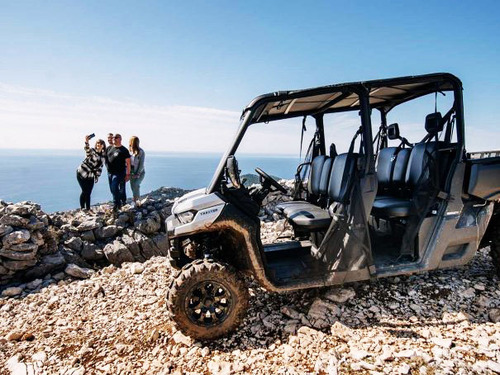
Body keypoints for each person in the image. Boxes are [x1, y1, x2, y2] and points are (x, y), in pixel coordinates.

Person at [76, 136, 106, 211]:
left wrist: (97, 177)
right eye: (98, 143)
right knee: (85, 191)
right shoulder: (92, 151)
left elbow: (100, 168)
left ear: (103, 146)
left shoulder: (102, 157)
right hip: (82, 173)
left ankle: (87, 209)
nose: (99, 144)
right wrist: (86, 142)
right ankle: (84, 208)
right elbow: (87, 150)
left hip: (91, 175)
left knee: (88, 192)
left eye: (101, 143)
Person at [106, 133, 131, 212]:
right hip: (110, 172)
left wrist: (128, 174)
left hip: (119, 173)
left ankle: (116, 204)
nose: (114, 139)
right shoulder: (109, 148)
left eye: (116, 137)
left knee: (114, 185)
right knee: (112, 189)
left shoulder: (124, 150)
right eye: (113, 137)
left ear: (120, 139)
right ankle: (119, 203)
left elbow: (128, 163)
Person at [129, 136, 146, 205]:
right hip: (132, 171)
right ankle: (135, 199)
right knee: (132, 186)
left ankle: (137, 200)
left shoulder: (141, 152)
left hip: (140, 172)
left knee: (136, 185)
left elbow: (141, 164)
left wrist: (138, 173)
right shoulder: (129, 151)